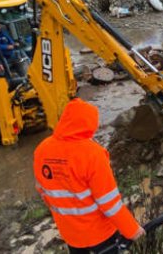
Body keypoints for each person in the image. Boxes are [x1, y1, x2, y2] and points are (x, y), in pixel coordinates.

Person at [33, 98, 145, 253]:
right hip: (101, 233)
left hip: (70, 234)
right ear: (90, 124)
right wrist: (132, 230)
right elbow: (109, 203)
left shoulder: (42, 150)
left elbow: (42, 190)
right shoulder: (93, 154)